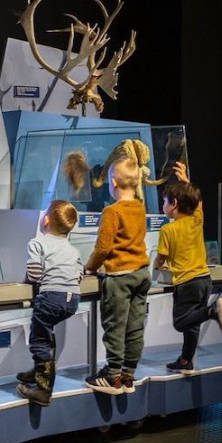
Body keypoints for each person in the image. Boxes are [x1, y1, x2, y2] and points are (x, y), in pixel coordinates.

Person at [152, 162, 222, 374]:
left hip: (187, 283)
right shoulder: (197, 220)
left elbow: (161, 256)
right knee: (192, 324)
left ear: (174, 203)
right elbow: (199, 204)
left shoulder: (168, 230)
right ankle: (186, 361)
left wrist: (157, 265)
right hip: (204, 279)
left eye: (164, 202)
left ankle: (212, 311)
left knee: (181, 323)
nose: (163, 206)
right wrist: (186, 181)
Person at [84, 156, 151, 395]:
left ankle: (112, 376)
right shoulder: (140, 208)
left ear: (113, 182)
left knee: (115, 326)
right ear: (137, 181)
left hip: (119, 276)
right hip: (142, 274)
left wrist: (90, 267)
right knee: (135, 327)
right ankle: (128, 376)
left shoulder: (111, 211)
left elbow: (103, 248)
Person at [16, 200, 82, 406]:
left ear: (45, 220)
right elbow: (79, 274)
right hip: (72, 299)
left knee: (39, 340)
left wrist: (25, 282)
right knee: (47, 333)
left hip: (51, 297)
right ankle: (39, 371)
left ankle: (43, 390)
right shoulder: (73, 249)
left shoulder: (37, 243)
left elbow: (35, 274)